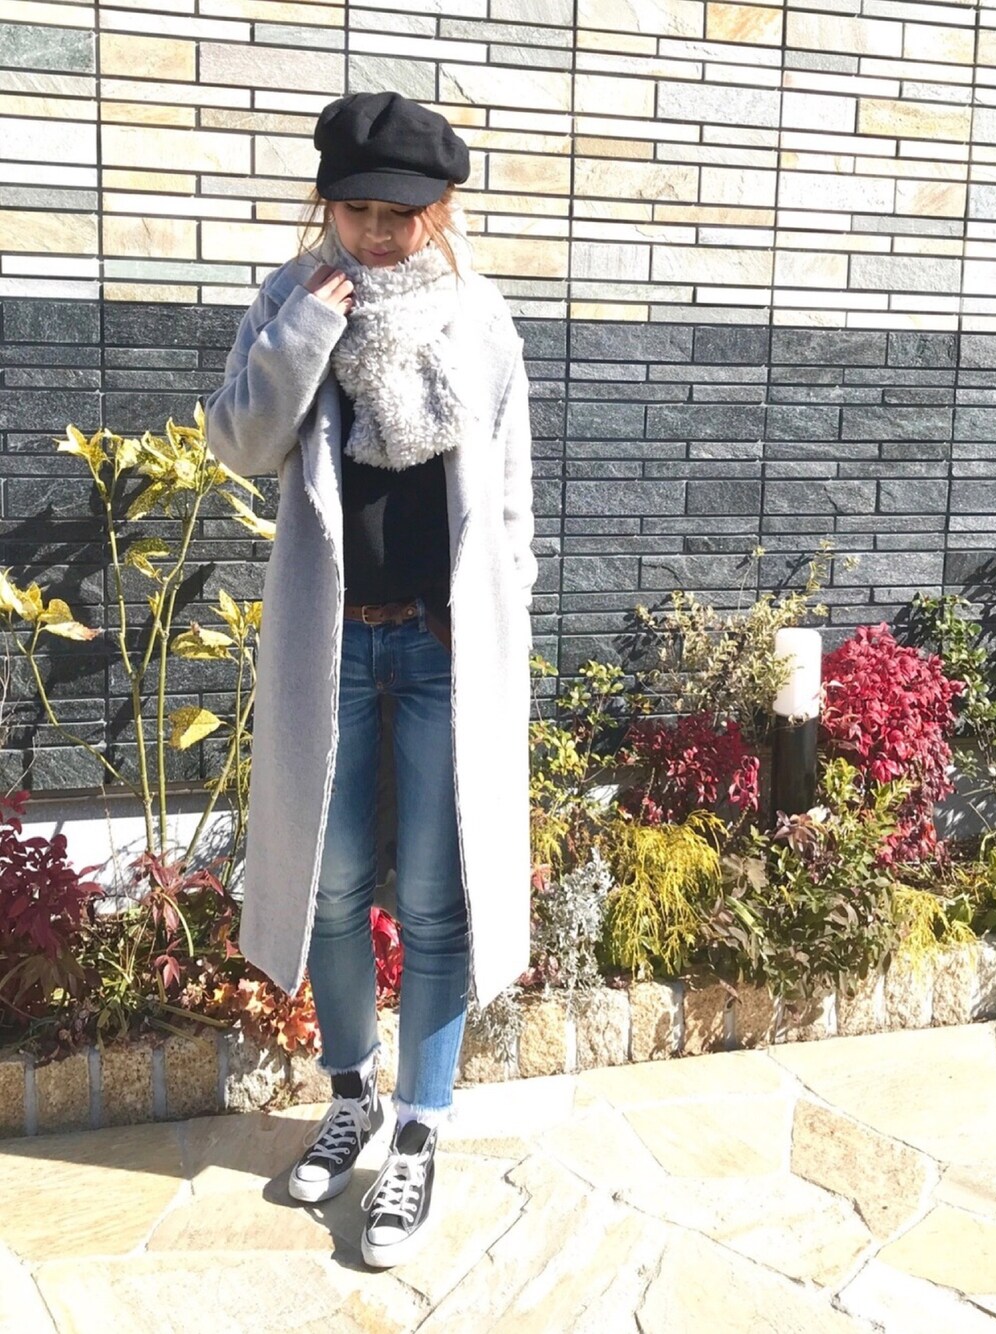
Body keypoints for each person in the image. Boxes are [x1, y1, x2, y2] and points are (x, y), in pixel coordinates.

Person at [204, 90, 536, 1269]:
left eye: (399, 213)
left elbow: (510, 499)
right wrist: (303, 333)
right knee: (333, 884)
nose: (378, 233)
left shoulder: (479, 318)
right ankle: (350, 1096)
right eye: (355, 211)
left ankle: (419, 1128)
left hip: (446, 650)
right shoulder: (293, 299)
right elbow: (239, 442)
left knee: (438, 897)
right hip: (333, 645)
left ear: (438, 209)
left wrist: (505, 616)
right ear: (327, 205)